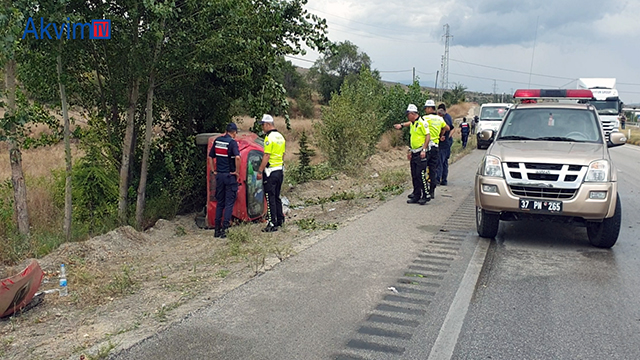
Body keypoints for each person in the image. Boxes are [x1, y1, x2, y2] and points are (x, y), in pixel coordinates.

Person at [208, 123, 241, 238]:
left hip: (219, 176)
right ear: (234, 132)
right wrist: (237, 172)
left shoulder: (217, 141)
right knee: (229, 203)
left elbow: (210, 156)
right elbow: (237, 157)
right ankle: (225, 230)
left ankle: (217, 230)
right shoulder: (232, 143)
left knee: (220, 203)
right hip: (229, 176)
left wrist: (213, 170)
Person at [394, 104, 430, 205]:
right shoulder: (413, 123)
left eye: (408, 114)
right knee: (414, 174)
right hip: (414, 152)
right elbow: (413, 138)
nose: (407, 117)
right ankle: (416, 194)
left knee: (420, 174)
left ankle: (425, 195)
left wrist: (424, 149)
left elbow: (428, 136)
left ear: (413, 114)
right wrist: (410, 150)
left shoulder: (422, 123)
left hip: (421, 152)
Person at [256, 114, 286, 232]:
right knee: (277, 196)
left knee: (270, 198)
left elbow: (267, 155)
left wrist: (260, 170)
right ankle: (280, 219)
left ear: (268, 124)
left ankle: (272, 223)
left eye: (263, 125)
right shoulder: (280, 137)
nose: (262, 127)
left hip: (270, 171)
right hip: (279, 170)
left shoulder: (269, 138)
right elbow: (283, 154)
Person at [422, 100, 449, 199]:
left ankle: (424, 191)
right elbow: (447, 127)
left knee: (423, 170)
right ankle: (432, 191)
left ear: (430, 108)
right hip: (436, 147)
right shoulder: (439, 119)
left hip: (427, 146)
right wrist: (440, 135)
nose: (425, 110)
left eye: (426, 108)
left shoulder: (424, 118)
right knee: (433, 169)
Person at [436, 104, 454, 186]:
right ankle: (444, 180)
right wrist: (449, 137)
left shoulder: (444, 119)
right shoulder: (449, 117)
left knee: (440, 161)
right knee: (445, 162)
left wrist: (442, 136)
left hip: (443, 144)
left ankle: (437, 179)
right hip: (448, 142)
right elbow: (452, 128)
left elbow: (445, 128)